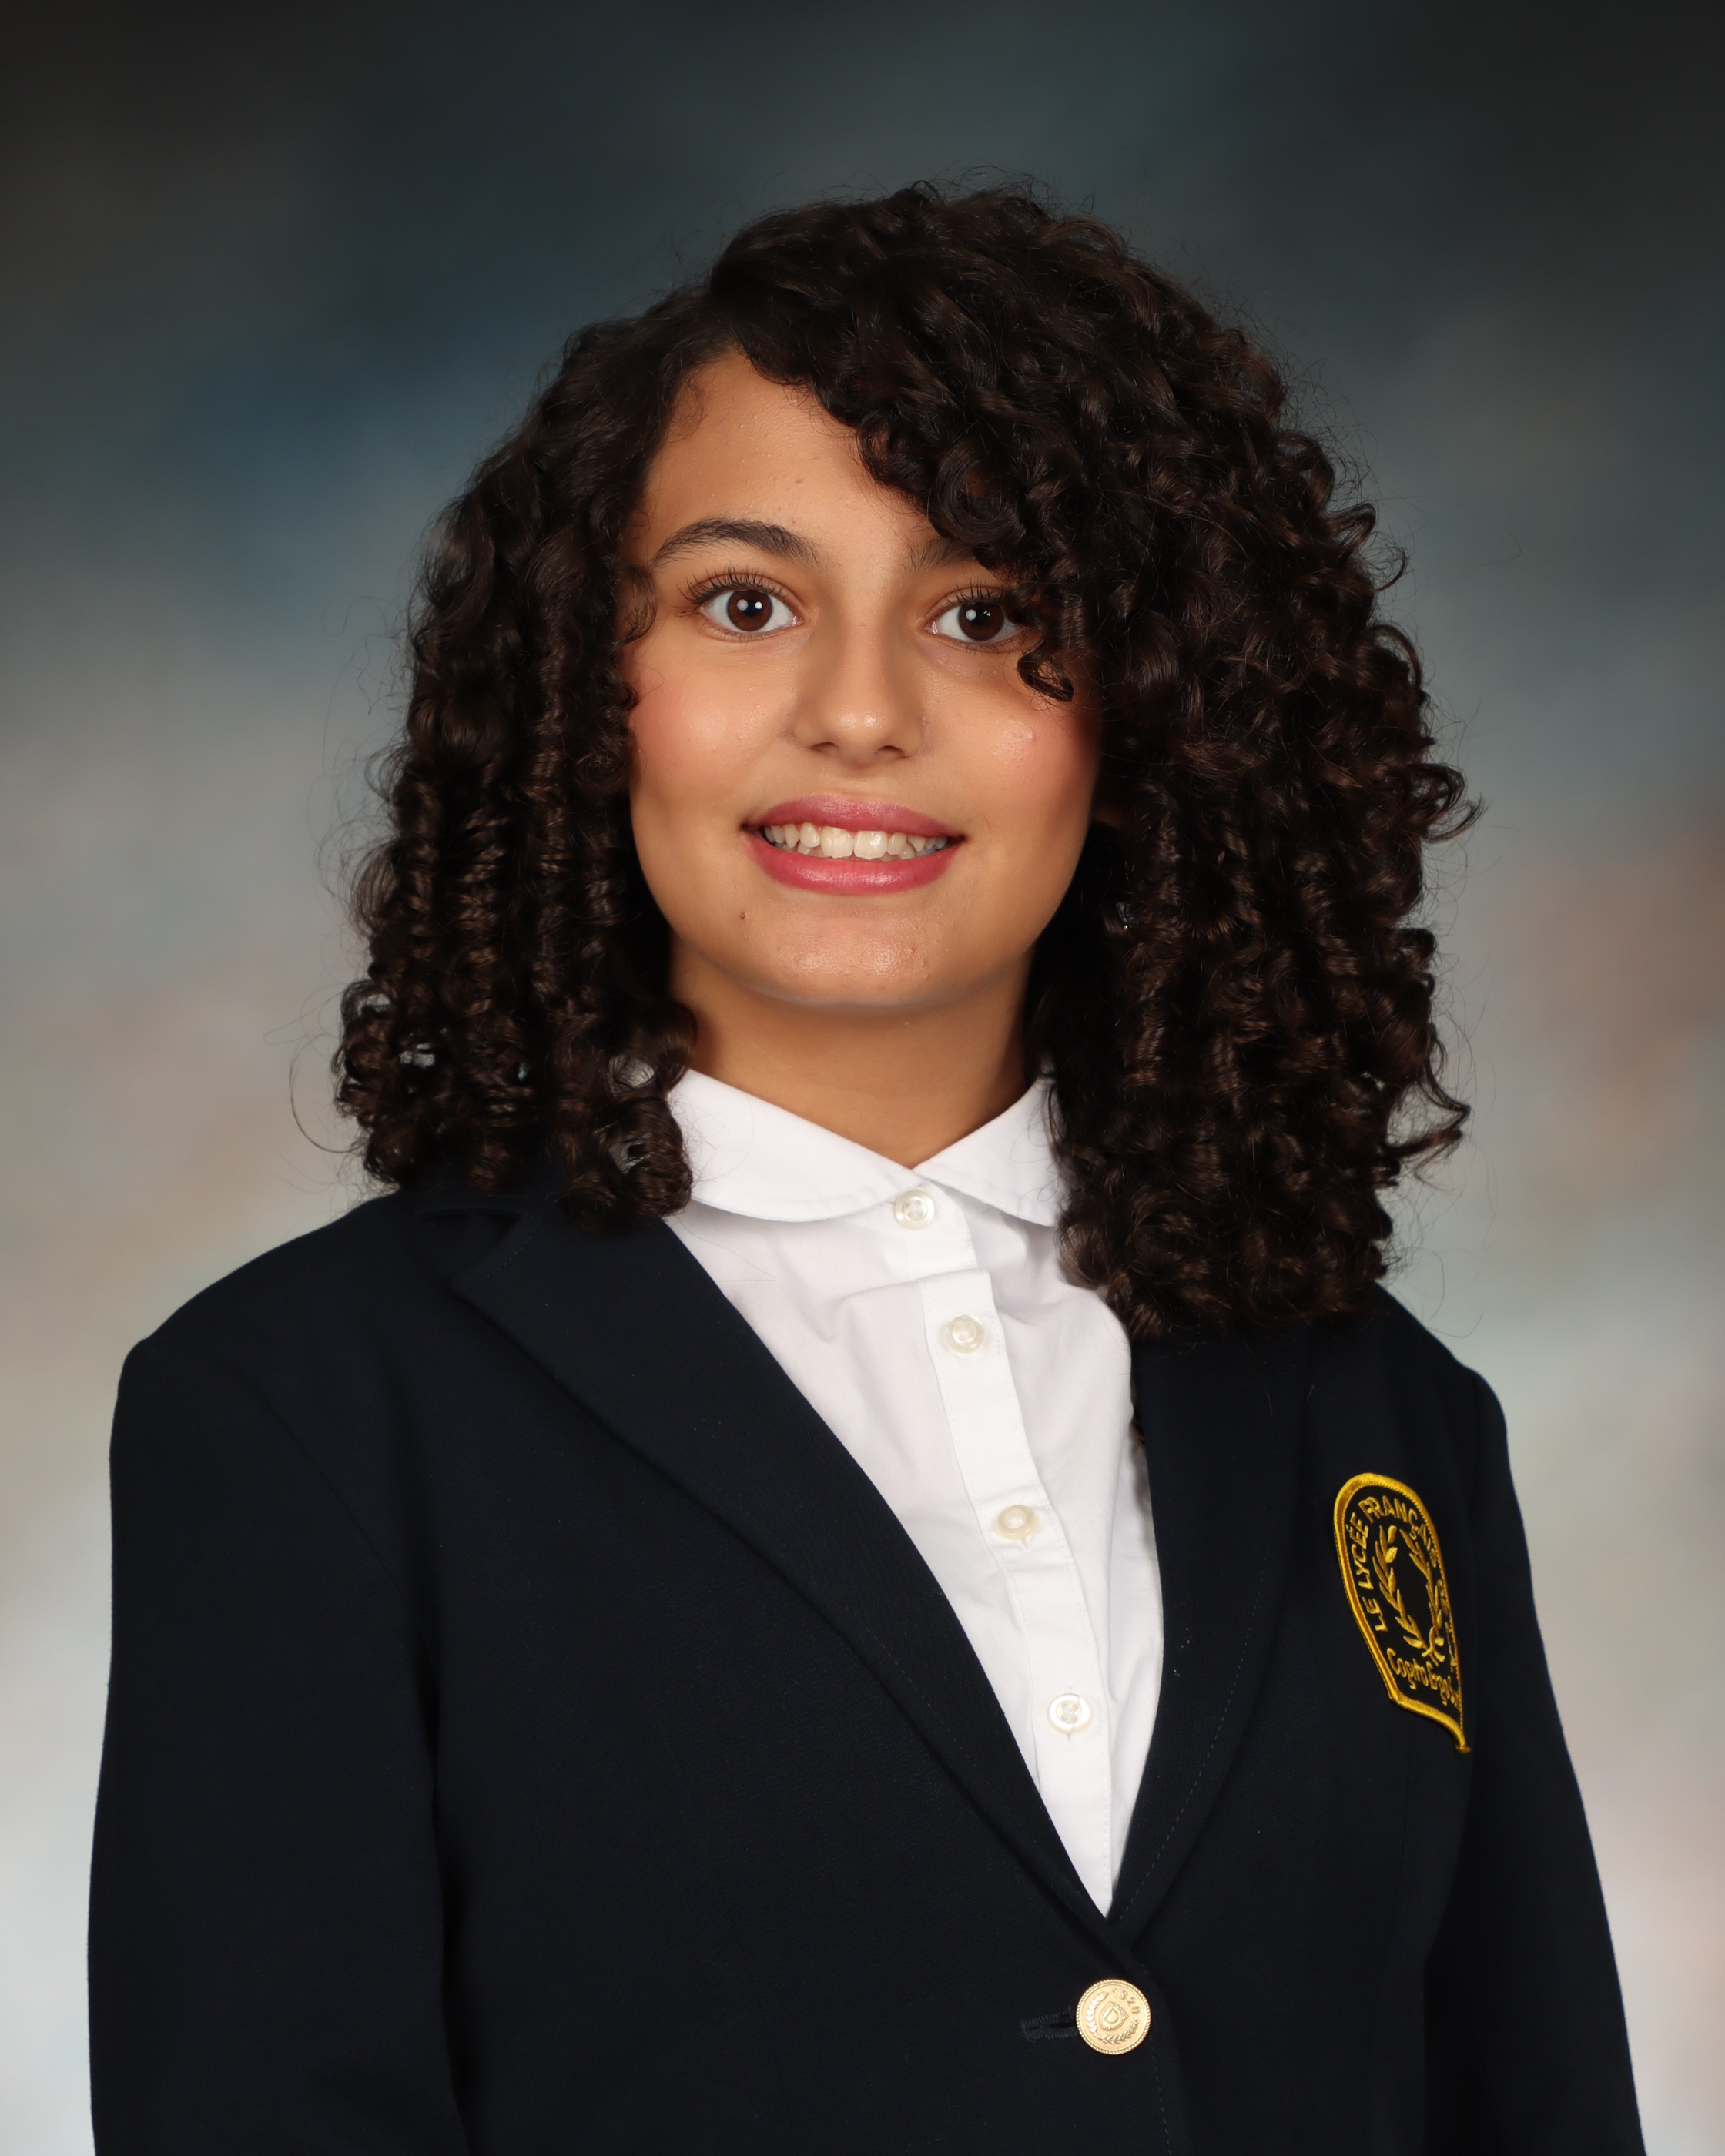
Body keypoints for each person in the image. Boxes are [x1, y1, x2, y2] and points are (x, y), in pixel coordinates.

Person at [87, 185, 1643, 2154]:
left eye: (985, 615)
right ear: (586, 686)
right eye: (745, 602)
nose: (858, 712)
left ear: (1154, 711)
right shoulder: (301, 1408)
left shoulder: (1388, 1413)